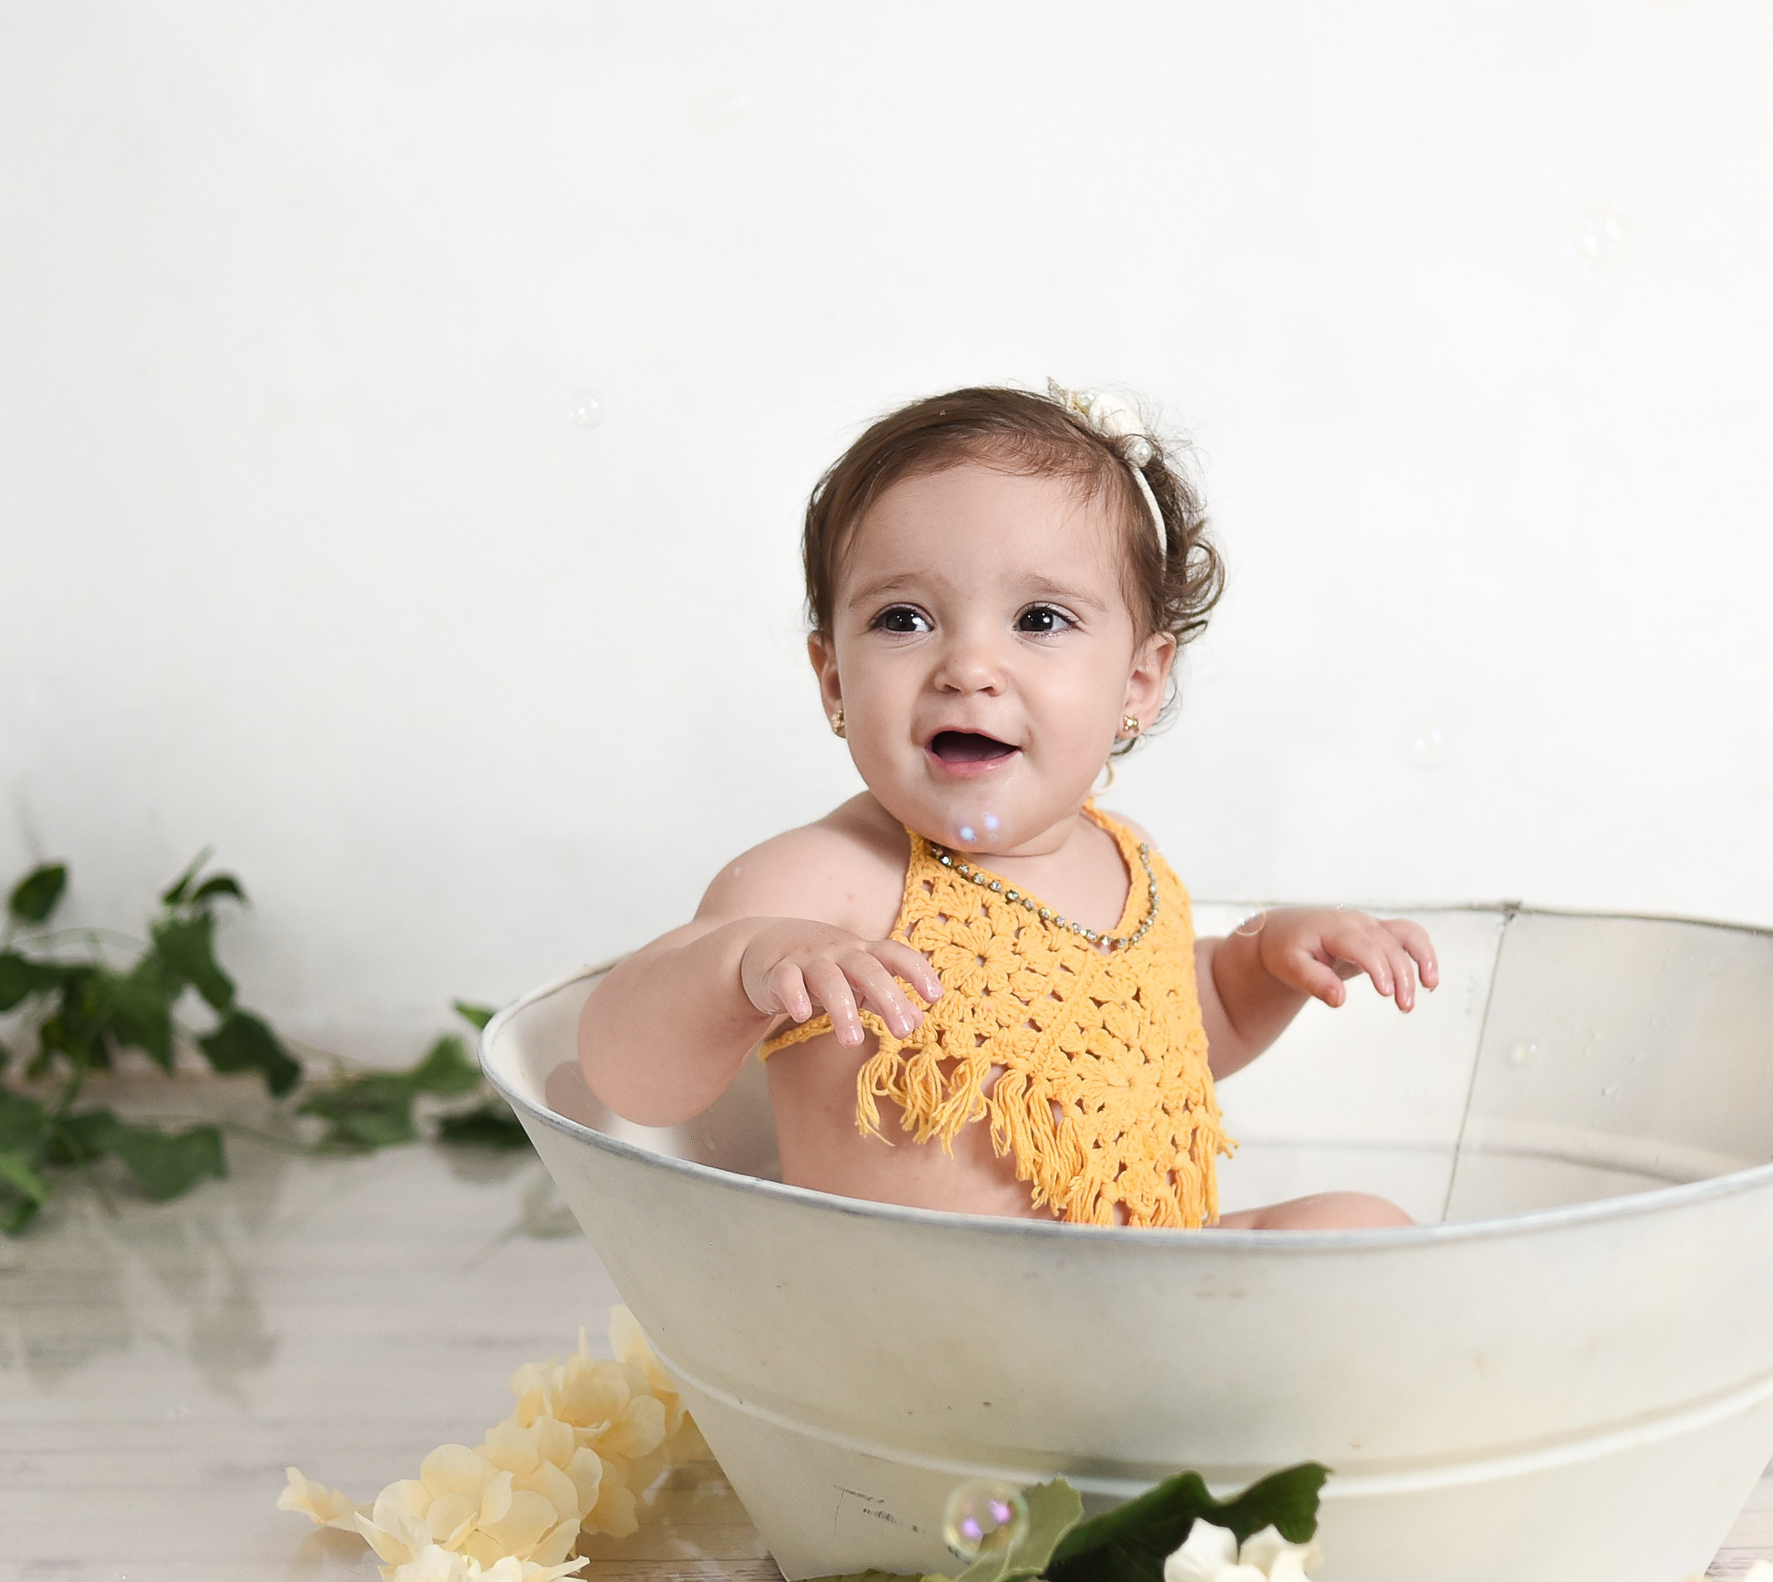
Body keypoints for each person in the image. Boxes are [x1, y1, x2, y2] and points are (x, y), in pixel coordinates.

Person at [579, 384, 1436, 1230]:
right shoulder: (827, 881)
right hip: (928, 1330)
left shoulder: (1128, 860)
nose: (969, 666)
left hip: (1149, 1300)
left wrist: (1264, 971)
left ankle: (1200, 1360)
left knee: (1358, 1224)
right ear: (835, 679)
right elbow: (630, 1080)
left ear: (1139, 681)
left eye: (1039, 617)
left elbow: (1170, 1044)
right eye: (905, 619)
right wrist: (745, 962)